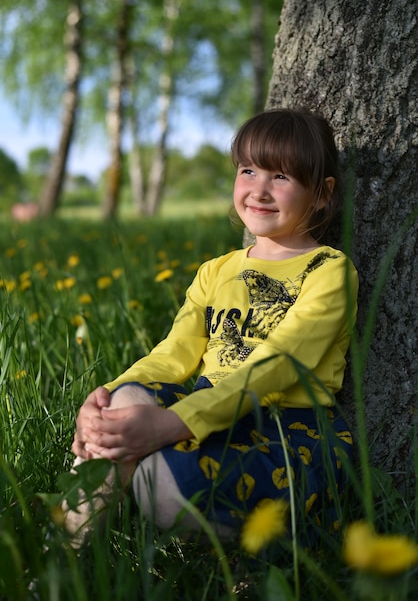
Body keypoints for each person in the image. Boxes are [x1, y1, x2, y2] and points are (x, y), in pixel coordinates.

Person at [65, 108, 358, 548]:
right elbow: (174, 352)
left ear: (321, 194)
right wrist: (105, 395)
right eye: (248, 170)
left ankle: (247, 551)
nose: (259, 190)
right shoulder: (216, 271)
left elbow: (276, 367)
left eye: (281, 177)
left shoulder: (328, 270)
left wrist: (173, 424)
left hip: (286, 429)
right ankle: (63, 557)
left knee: (156, 482)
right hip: (208, 408)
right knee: (121, 407)